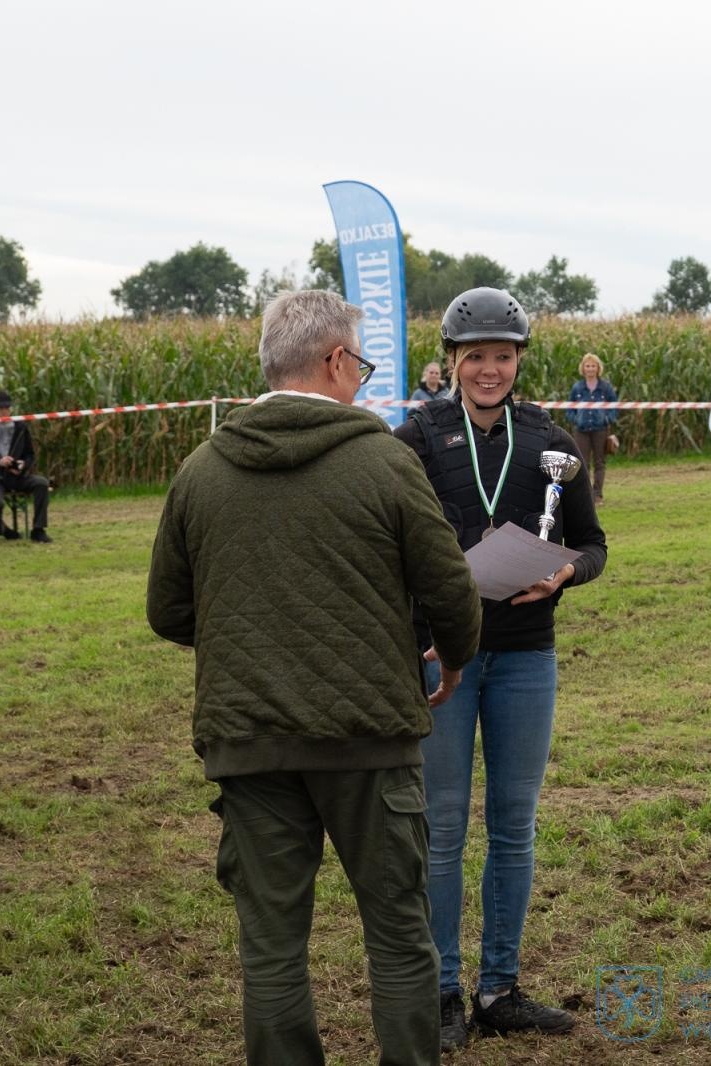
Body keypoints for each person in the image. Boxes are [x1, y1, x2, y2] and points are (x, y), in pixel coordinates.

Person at [146, 289, 482, 1066]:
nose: (361, 379)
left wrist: (247, 644)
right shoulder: (386, 462)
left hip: (248, 741)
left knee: (270, 946)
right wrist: (454, 655)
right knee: (398, 935)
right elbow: (449, 591)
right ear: (335, 361)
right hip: (370, 738)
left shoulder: (201, 471)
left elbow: (168, 610)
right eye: (360, 365)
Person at [392, 287, 607, 1050]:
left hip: (525, 657)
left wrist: (566, 573)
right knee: (444, 827)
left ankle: (501, 988)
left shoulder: (551, 441)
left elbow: (593, 545)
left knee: (514, 826)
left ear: (520, 361)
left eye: (503, 356)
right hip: (441, 658)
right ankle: (443, 994)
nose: (490, 369)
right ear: (451, 360)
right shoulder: (415, 439)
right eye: (475, 356)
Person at [0, 390, 53, 542]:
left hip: (16, 476)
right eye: (1, 408)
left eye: (7, 408)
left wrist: (23, 465)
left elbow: (30, 454)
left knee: (42, 483)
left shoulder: (20, 426)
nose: (4, 411)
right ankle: (2, 528)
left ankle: (38, 529)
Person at [566, 352, 619, 503]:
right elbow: (569, 408)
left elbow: (614, 406)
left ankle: (597, 494)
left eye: (593, 366)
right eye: (587, 366)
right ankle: (586, 495)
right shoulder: (577, 387)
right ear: (583, 368)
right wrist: (575, 420)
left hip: (600, 430)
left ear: (598, 368)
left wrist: (607, 419)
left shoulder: (605, 387)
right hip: (581, 431)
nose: (590, 369)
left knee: (599, 462)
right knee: (583, 463)